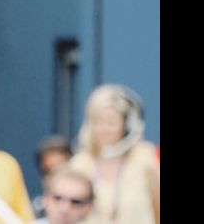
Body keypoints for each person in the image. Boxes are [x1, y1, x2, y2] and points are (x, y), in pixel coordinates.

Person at [68, 84, 160, 224]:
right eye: (98, 121)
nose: (104, 129)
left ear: (126, 126)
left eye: (111, 122)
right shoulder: (79, 165)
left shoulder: (144, 159)